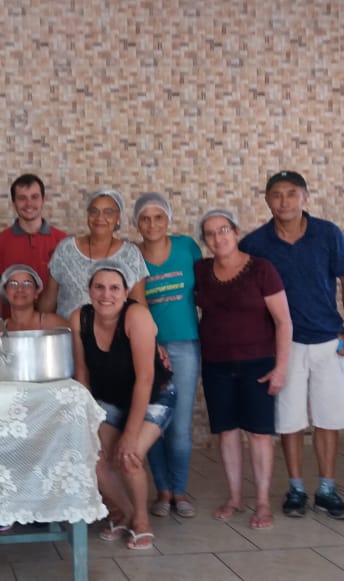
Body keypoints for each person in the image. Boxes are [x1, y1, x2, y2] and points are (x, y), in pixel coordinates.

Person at [239, 171, 344, 520]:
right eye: (276, 195)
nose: (284, 201)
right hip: (283, 346)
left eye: (292, 193)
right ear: (267, 200)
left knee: (327, 418)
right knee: (289, 420)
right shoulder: (255, 244)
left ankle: (326, 490)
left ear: (305, 197)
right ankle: (295, 489)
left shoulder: (328, 233)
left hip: (327, 340)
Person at [195, 209, 291, 530]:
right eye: (210, 233)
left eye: (223, 230)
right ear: (205, 240)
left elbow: (283, 321)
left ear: (236, 232)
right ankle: (234, 498)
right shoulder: (201, 271)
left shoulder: (261, 269)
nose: (217, 238)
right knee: (227, 432)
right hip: (216, 364)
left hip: (258, 363)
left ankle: (262, 502)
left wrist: (281, 367)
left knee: (259, 434)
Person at [70, 259, 175, 551]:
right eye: (99, 287)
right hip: (111, 399)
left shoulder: (136, 316)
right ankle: (123, 513)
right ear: (89, 290)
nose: (107, 295)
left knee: (129, 455)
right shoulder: (80, 318)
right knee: (94, 455)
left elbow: (145, 379)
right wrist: (87, 423)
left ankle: (141, 520)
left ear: (126, 292)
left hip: (154, 396)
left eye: (115, 288)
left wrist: (129, 434)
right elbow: (82, 374)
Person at [133, 192, 203, 519]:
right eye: (145, 219)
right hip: (148, 348)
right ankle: (162, 490)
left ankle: (180, 490)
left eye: (158, 217)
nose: (152, 224)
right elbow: (136, 303)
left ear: (168, 220)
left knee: (180, 425)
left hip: (186, 345)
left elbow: (206, 288)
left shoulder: (187, 248)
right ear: (137, 223)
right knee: (154, 421)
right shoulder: (132, 255)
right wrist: (150, 342)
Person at [40, 189, 148, 319]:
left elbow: (139, 304)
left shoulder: (130, 254)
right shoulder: (66, 249)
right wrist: (35, 322)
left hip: (114, 332)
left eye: (108, 212)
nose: (100, 217)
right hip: (68, 329)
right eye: (94, 211)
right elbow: (49, 299)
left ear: (118, 218)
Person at [0, 174, 67, 324]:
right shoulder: (0, 241)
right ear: (14, 202)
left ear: (43, 200)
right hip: (13, 328)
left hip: (53, 328)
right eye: (22, 198)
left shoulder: (62, 241)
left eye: (34, 197)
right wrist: (0, 327)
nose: (29, 204)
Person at [0, 264, 68, 333]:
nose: (20, 289)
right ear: (5, 292)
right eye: (13, 284)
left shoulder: (55, 325)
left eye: (27, 284)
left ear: (36, 292)